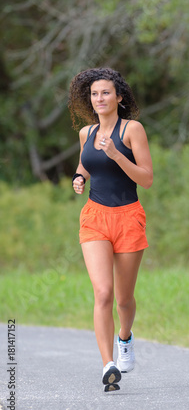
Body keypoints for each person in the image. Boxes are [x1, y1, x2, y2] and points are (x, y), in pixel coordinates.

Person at [68, 67, 153, 392]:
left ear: (118, 96)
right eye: (94, 94)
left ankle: (125, 338)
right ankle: (108, 365)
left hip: (129, 216)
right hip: (95, 218)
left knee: (123, 298)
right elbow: (86, 163)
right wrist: (79, 177)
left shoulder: (132, 129)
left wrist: (116, 154)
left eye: (105, 92)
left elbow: (146, 179)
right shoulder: (86, 133)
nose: (99, 98)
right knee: (103, 293)